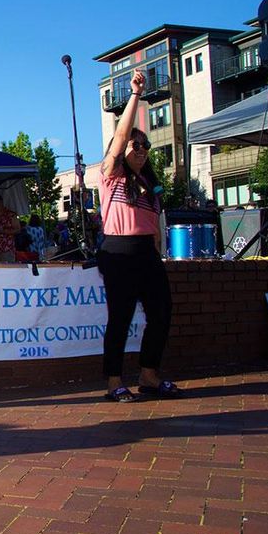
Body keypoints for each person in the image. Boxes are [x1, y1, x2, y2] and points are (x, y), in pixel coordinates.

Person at [97, 69, 180, 403]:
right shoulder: (111, 175)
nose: (142, 149)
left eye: (146, 145)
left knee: (161, 312)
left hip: (147, 252)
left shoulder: (149, 185)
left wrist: (158, 249)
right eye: (137, 144)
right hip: (118, 251)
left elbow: (156, 224)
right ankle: (114, 382)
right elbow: (119, 139)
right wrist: (135, 95)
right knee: (120, 317)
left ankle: (149, 375)